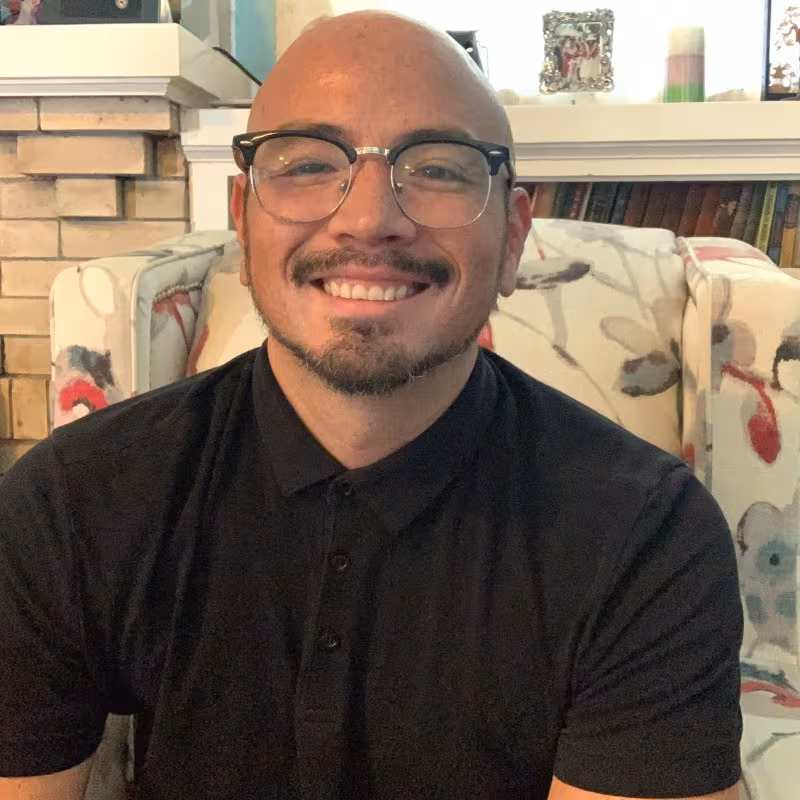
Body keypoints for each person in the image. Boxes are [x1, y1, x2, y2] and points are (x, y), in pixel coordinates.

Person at [0, 11, 743, 800]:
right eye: (308, 164)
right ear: (241, 218)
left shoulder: (646, 539)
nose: (368, 218)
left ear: (514, 241)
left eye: (440, 169)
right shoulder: (71, 503)